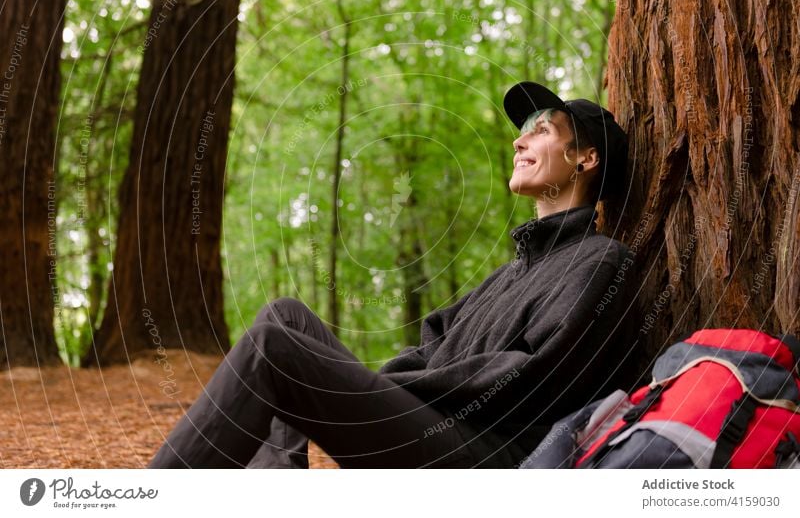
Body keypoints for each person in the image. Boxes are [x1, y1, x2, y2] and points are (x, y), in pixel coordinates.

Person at [147, 81, 637, 469]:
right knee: (286, 317)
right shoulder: (510, 273)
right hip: (432, 428)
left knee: (271, 347)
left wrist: (389, 386)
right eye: (523, 131)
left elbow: (531, 380)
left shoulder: (599, 262)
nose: (519, 139)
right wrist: (378, 383)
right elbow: (433, 339)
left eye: (542, 131)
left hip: (484, 460)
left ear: (585, 158)